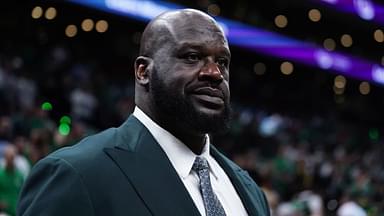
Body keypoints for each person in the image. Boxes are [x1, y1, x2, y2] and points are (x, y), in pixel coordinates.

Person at [17, 9, 270, 216]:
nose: (214, 73)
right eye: (192, 57)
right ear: (143, 72)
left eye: (222, 62)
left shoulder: (248, 189)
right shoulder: (76, 174)